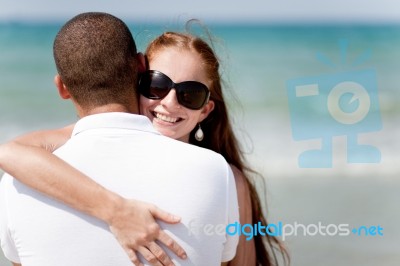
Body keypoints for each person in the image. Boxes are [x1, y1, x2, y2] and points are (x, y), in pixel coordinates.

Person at [0, 25, 289, 266]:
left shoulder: (226, 178)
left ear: (206, 110)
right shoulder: (79, 140)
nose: (169, 102)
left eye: (190, 94)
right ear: (136, 78)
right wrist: (115, 211)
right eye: (157, 85)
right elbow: (8, 152)